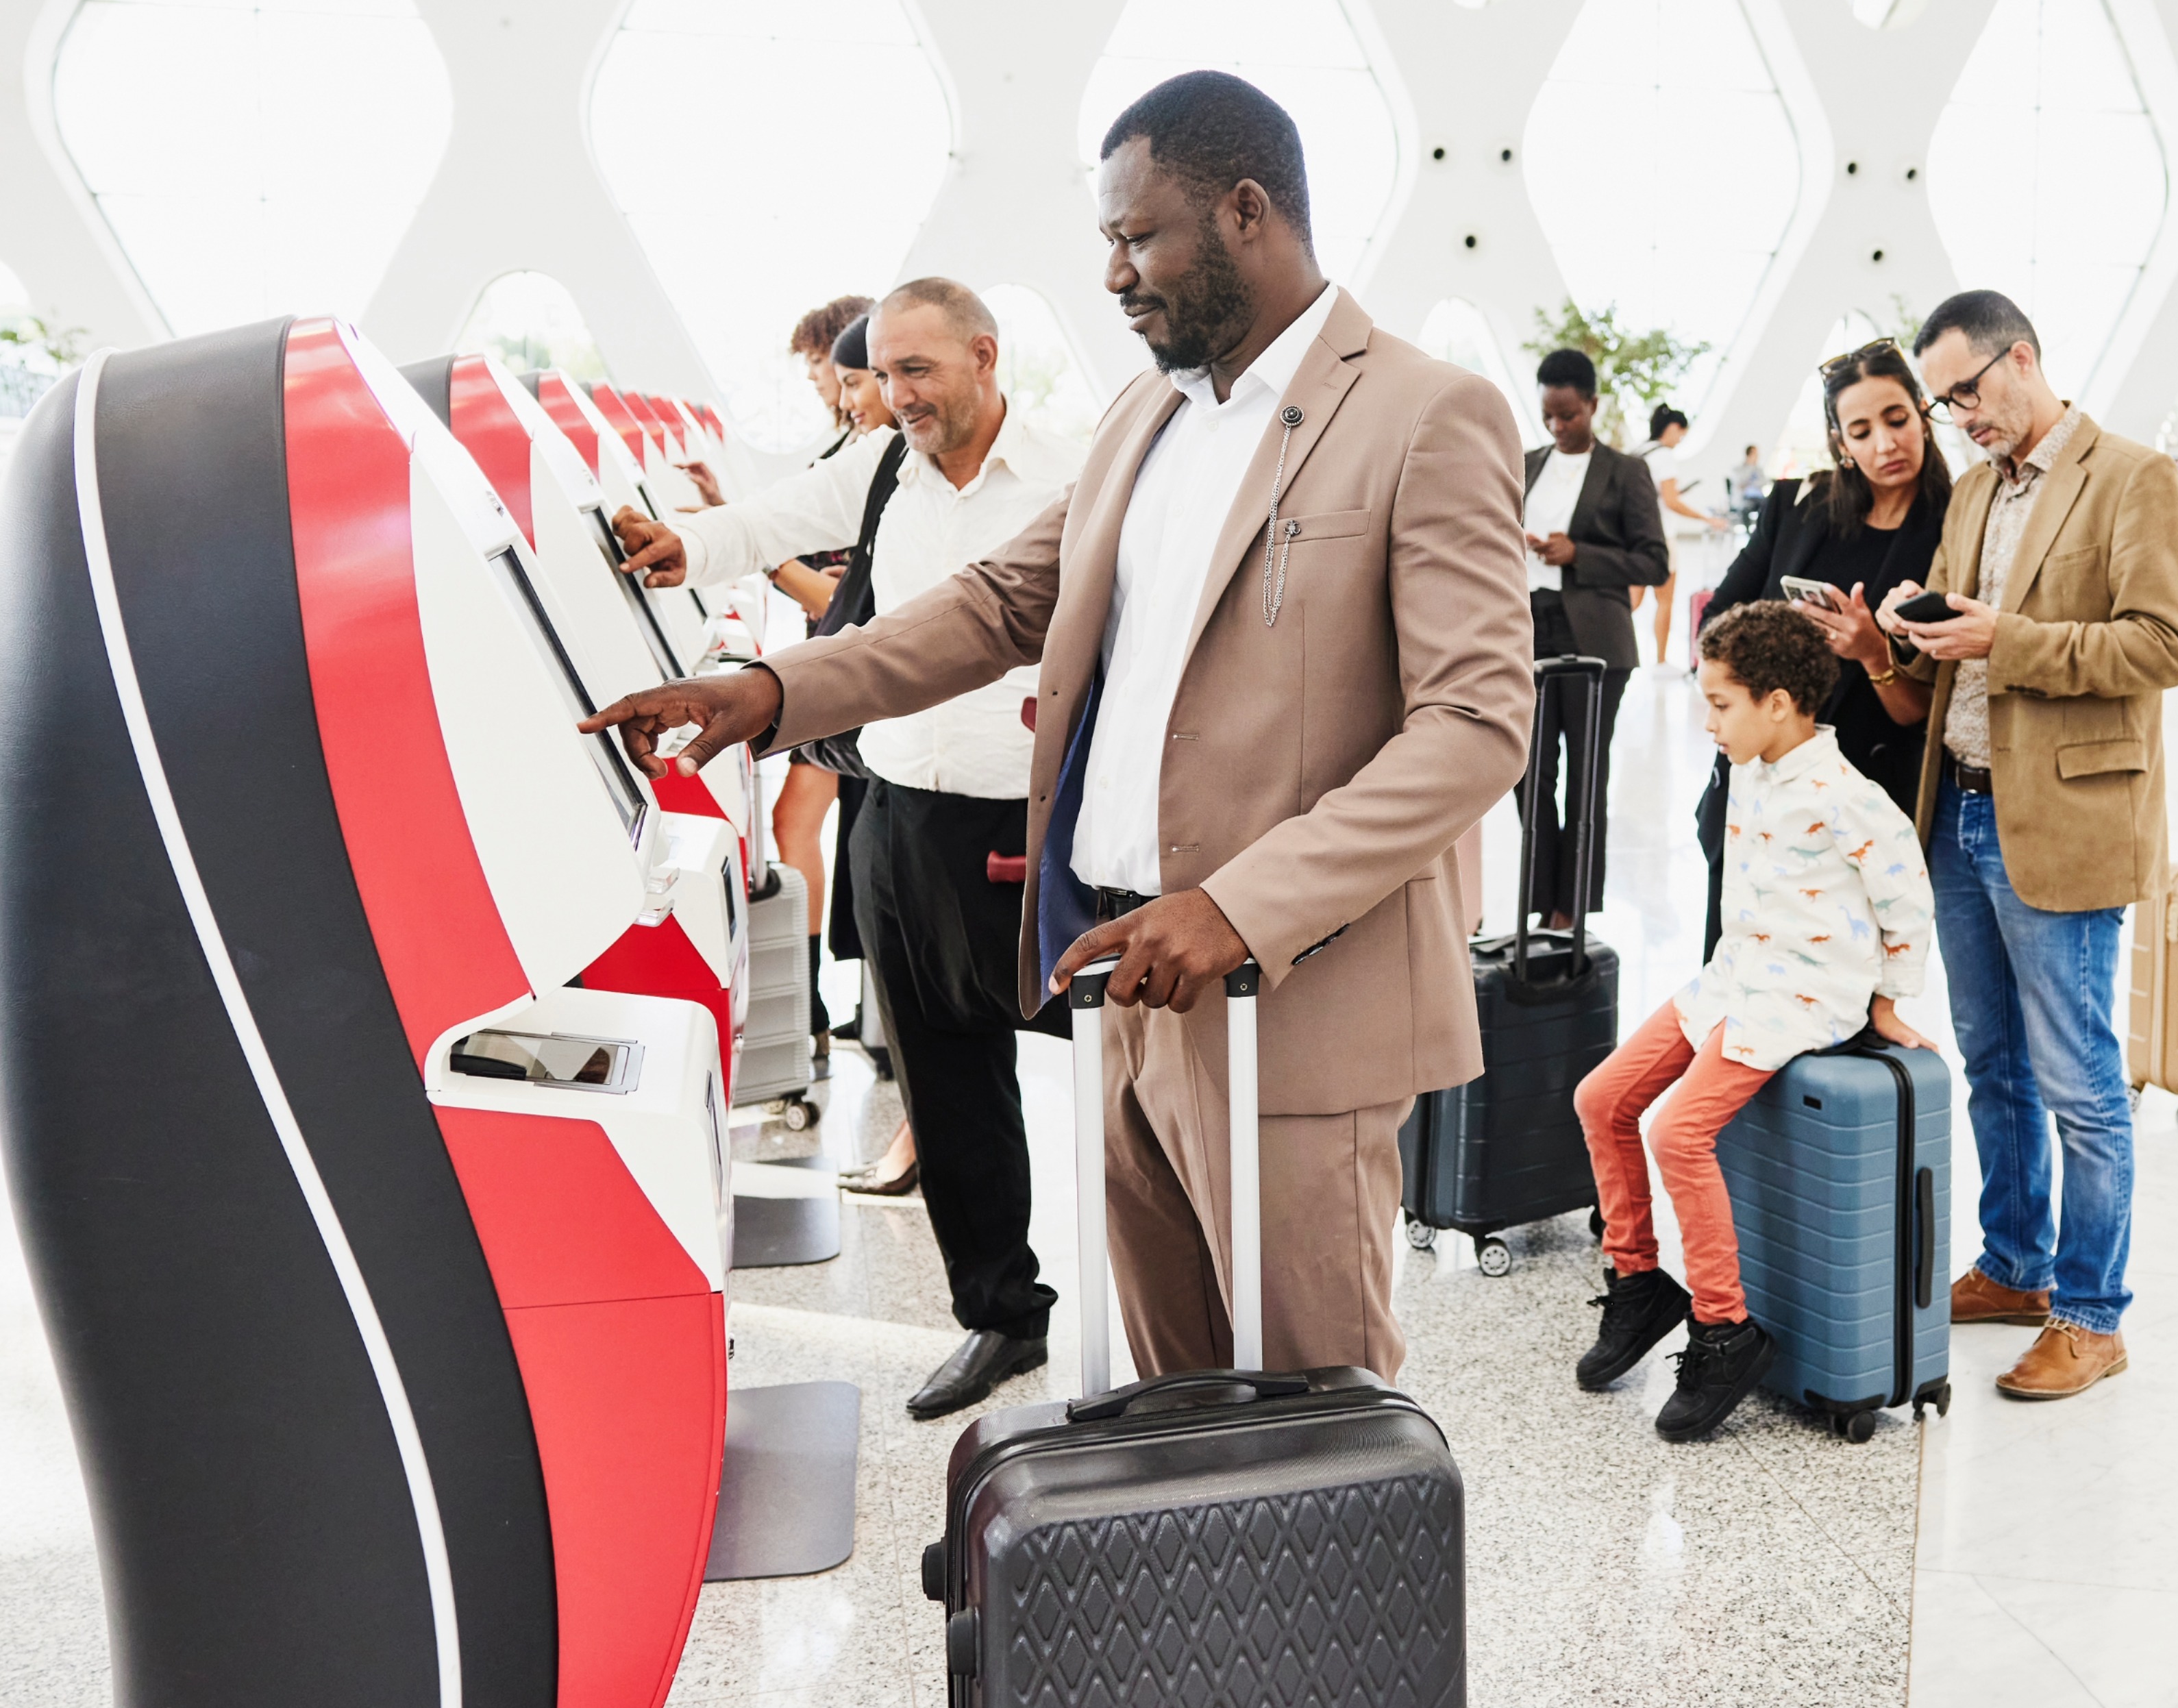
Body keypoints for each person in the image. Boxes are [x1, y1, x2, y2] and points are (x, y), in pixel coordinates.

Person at [583, 69, 1531, 1383]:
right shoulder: (1146, 415)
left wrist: (1243, 907)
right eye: (1107, 242)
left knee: (1313, 1426)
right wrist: (775, 690)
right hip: (1127, 972)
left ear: (1246, 212)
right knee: (1172, 1391)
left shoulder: (1426, 412)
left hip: (1286, 993)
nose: (1113, 275)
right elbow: (994, 602)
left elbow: (1476, 724)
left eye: (1137, 237)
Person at [606, 278, 1080, 1419]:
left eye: (919, 371)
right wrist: (685, 544)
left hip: (1042, 822)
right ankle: (1001, 1314)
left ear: (984, 354)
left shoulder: (1073, 473)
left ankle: (1180, 1319)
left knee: (1131, 1069)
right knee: (950, 1080)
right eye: (883, 374)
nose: (898, 395)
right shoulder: (878, 464)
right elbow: (770, 518)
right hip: (903, 818)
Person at [1878, 291, 2178, 1403]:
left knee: (2079, 1076)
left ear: (2024, 357)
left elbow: (2162, 646)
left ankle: (2093, 1313)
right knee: (1995, 1064)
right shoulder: (1972, 492)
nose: (1959, 414)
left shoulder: (2133, 475)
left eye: (1969, 389)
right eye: (1945, 399)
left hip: (2059, 820)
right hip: (1961, 812)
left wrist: (2003, 637)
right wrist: (1888, 640)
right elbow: (1951, 654)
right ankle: (2015, 1264)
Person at [1573, 601, 1935, 1441]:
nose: (1708, 722)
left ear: (1779, 702)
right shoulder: (1750, 770)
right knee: (1602, 1098)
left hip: (1800, 995)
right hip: (1737, 977)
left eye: (1722, 704)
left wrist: (1887, 999)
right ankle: (1637, 1281)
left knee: (1678, 1135)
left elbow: (1906, 896)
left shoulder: (1848, 795)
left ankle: (1723, 1327)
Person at [1696, 338, 1952, 953]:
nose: (1885, 445)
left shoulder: (1953, 526)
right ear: (1841, 441)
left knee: (1832, 991)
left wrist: (1870, 652)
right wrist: (1790, 636)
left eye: (1897, 420)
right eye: (1861, 431)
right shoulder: (1797, 507)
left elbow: (1921, 709)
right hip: (1760, 789)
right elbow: (1718, 625)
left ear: (1922, 412)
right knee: (1732, 971)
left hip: (1862, 805)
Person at [1518, 348, 1667, 927]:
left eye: (1569, 415)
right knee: (1530, 771)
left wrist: (1579, 554)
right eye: (1549, 416)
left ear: (1593, 405)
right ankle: (1539, 901)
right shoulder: (1526, 464)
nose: (1558, 427)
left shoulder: (1626, 472)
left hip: (1595, 641)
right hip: (1527, 631)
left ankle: (1571, 907)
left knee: (1585, 774)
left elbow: (1653, 563)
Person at [773, 297, 874, 1058]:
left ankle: (816, 1002)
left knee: (815, 828)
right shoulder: (851, 446)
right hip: (833, 669)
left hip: (843, 673)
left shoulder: (872, 454)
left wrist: (769, 563)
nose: (826, 386)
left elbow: (843, 598)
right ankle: (823, 1002)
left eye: (834, 371)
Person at [1640, 406, 1728, 663]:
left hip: (1634, 536)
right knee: (1665, 600)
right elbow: (1671, 502)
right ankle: (1661, 661)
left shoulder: (1640, 452)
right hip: (1660, 537)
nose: (1680, 441)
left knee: (1631, 602)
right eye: (1681, 435)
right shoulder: (1665, 457)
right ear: (1673, 428)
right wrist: (1707, 518)